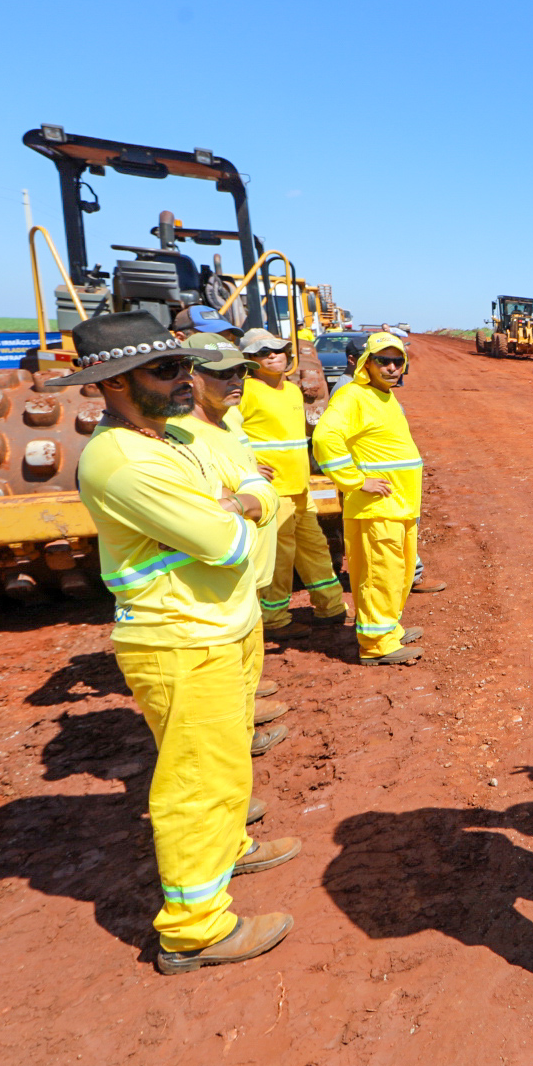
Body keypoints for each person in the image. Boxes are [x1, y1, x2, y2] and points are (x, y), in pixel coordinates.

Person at [53, 312, 299, 975]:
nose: (185, 379)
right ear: (113, 384)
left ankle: (228, 852)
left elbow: (250, 490)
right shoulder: (125, 461)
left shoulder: (167, 439)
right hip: (181, 639)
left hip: (219, 626)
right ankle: (194, 929)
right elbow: (231, 542)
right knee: (196, 781)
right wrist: (239, 512)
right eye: (167, 370)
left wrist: (240, 501)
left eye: (184, 366)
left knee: (225, 769)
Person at [169, 333, 292, 757]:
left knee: (248, 647)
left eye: (240, 370)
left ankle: (246, 713)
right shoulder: (180, 433)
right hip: (216, 575)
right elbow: (211, 505)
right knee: (217, 672)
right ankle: (234, 741)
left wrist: (249, 483)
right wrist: (246, 498)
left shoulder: (229, 421)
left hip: (248, 561)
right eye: (221, 373)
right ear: (191, 377)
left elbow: (241, 483)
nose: (235, 380)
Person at [312, 332, 425, 665]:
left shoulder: (384, 396)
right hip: (376, 508)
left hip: (399, 505)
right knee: (379, 574)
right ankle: (376, 645)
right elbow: (325, 437)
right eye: (383, 361)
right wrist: (356, 481)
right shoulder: (352, 396)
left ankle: (387, 629)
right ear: (367, 363)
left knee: (397, 572)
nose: (391, 367)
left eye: (397, 361)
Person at [237, 327, 348, 641]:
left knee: (316, 549)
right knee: (280, 557)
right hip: (271, 493)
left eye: (277, 349)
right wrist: (245, 465)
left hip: (300, 489)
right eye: (262, 352)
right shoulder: (243, 391)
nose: (273, 355)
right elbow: (227, 434)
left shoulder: (292, 391)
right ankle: (274, 619)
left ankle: (331, 608)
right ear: (248, 359)